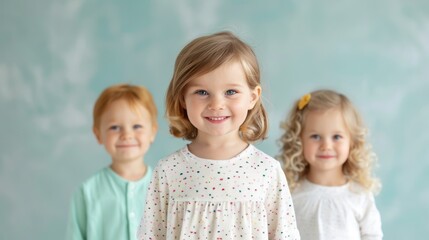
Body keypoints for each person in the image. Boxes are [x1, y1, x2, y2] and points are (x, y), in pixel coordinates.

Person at [137, 31, 300, 239]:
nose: (216, 105)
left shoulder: (267, 171)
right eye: (202, 92)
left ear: (252, 97)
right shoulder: (168, 171)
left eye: (230, 92)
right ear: (182, 99)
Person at [277, 89, 383, 240]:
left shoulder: (359, 195)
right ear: (299, 140)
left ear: (352, 142)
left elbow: (372, 235)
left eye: (337, 137)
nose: (326, 146)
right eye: (315, 136)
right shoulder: (290, 194)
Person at [66, 83, 158, 240]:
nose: (126, 135)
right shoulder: (88, 192)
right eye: (115, 127)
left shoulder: (166, 190)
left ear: (152, 132)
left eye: (137, 126)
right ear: (98, 134)